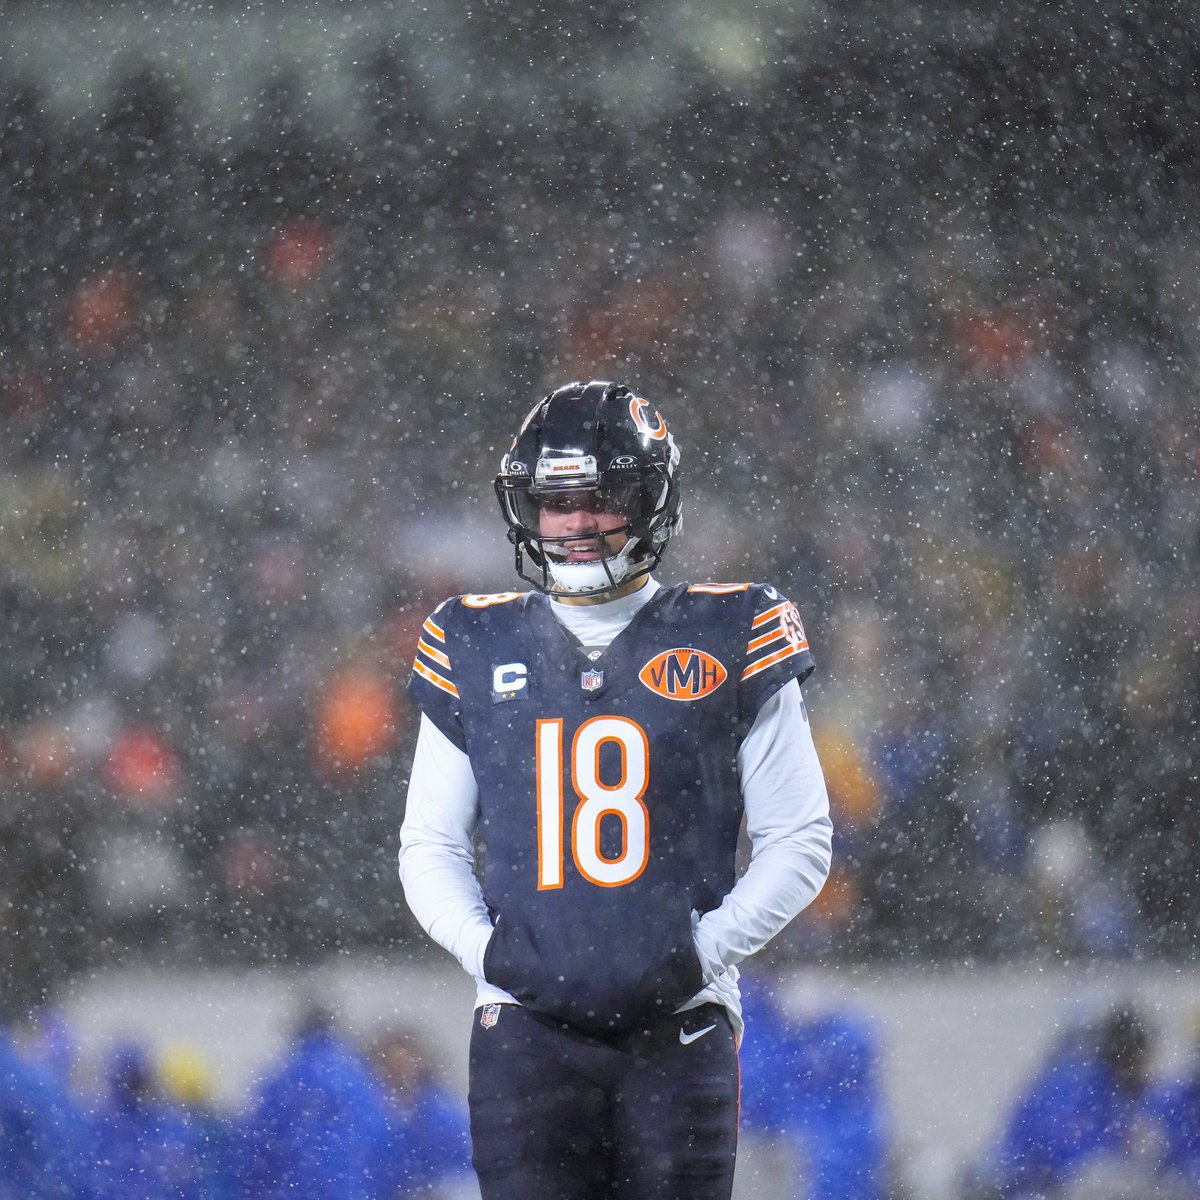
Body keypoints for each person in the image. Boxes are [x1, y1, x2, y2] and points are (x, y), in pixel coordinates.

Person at [398, 379, 833, 1200]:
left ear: (650, 500)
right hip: (527, 1029)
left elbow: (801, 839)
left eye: (600, 497)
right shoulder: (472, 637)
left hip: (679, 1026)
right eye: (556, 500)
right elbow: (429, 844)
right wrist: (488, 953)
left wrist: (701, 953)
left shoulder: (735, 629)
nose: (576, 521)